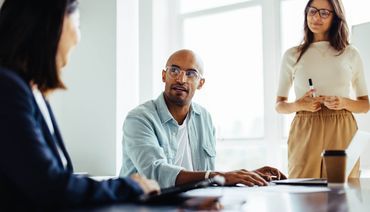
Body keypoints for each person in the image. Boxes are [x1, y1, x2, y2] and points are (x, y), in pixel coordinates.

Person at [0, 0, 159, 210]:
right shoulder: (7, 87)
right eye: (77, 24)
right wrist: (130, 186)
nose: (78, 37)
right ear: (52, 26)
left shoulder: (32, 92)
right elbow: (49, 186)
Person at [120, 49, 287, 188]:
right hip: (145, 204)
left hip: (192, 203)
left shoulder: (204, 118)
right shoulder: (139, 118)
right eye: (174, 70)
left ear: (200, 83)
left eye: (191, 73)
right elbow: (155, 174)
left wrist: (246, 175)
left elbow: (203, 175)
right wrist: (219, 176)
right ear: (164, 76)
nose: (181, 79)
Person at [276, 0, 369, 178]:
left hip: (342, 127)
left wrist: (343, 102)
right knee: (303, 196)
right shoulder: (292, 55)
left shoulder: (350, 53)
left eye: (324, 13)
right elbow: (279, 105)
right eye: (312, 11)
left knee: (342, 197)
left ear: (336, 17)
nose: (316, 17)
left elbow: (365, 105)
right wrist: (299, 105)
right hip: (305, 127)